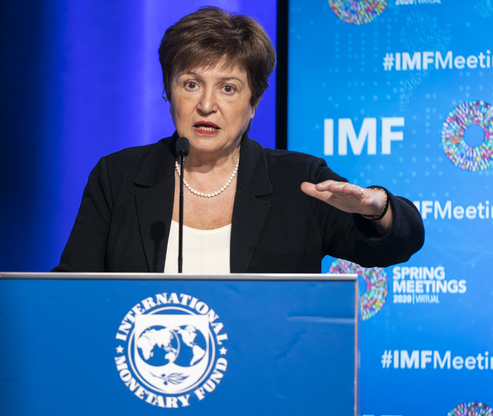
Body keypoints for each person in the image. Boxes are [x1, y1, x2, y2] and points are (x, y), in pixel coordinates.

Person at [53, 7, 424, 273]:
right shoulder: (118, 176)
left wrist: (378, 209)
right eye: (191, 84)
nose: (207, 105)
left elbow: (398, 246)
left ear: (253, 104)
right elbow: (69, 291)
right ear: (169, 92)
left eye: (228, 88)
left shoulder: (299, 181)